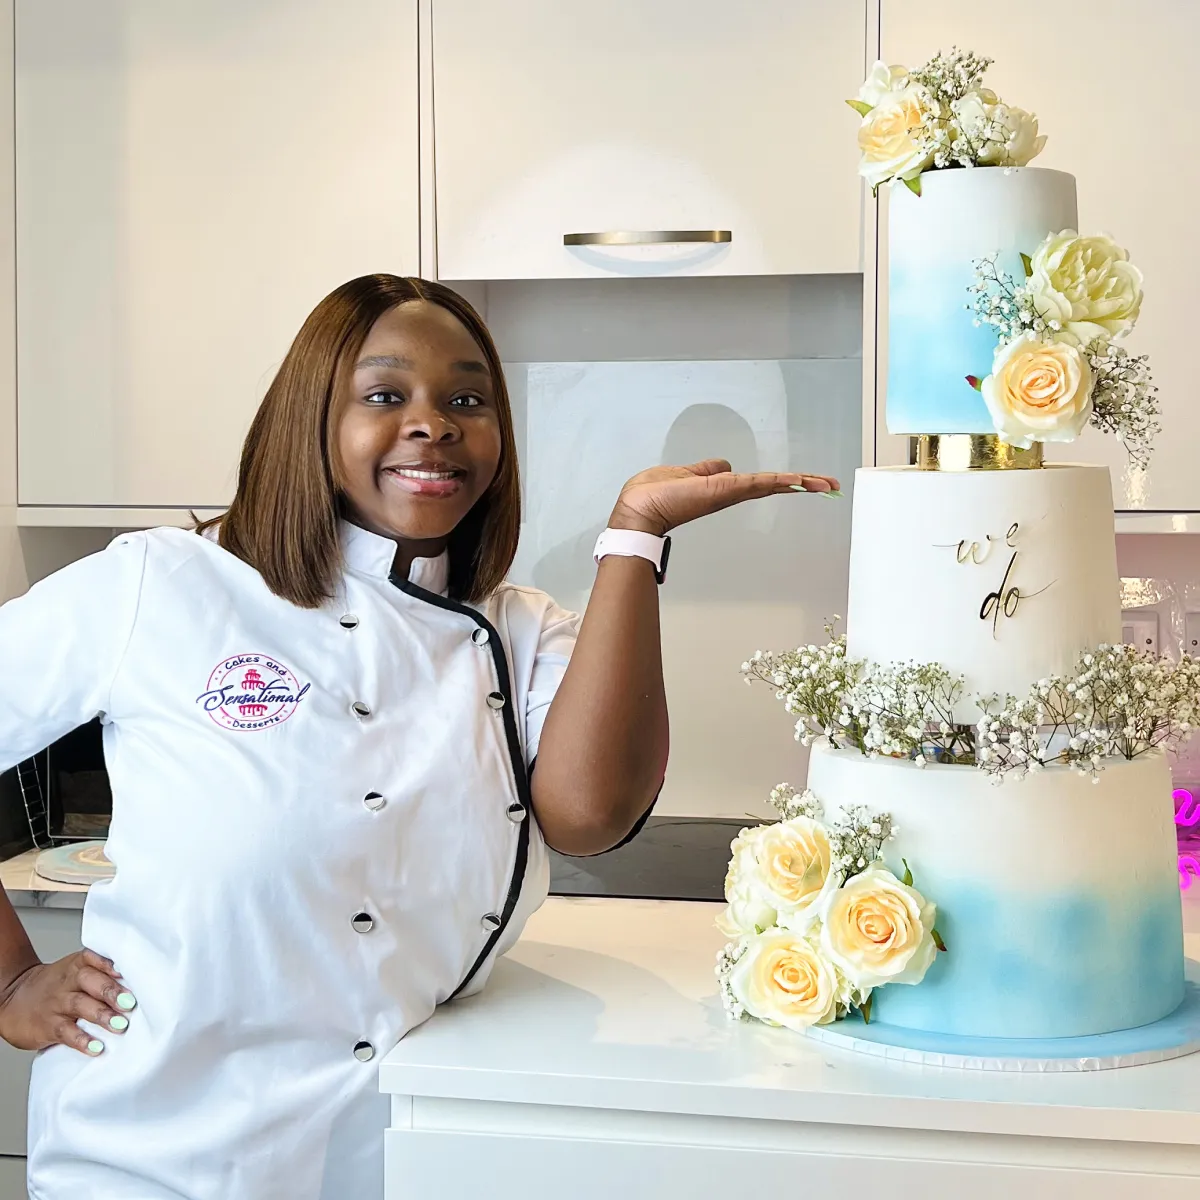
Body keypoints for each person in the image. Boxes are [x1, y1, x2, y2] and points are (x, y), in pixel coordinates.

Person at [0, 274, 838, 1199]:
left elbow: (589, 815)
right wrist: (9, 987)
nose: (434, 422)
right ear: (309, 419)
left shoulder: (523, 630)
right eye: (386, 395)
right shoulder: (161, 585)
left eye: (467, 400)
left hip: (396, 1154)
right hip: (155, 1156)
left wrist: (634, 540)